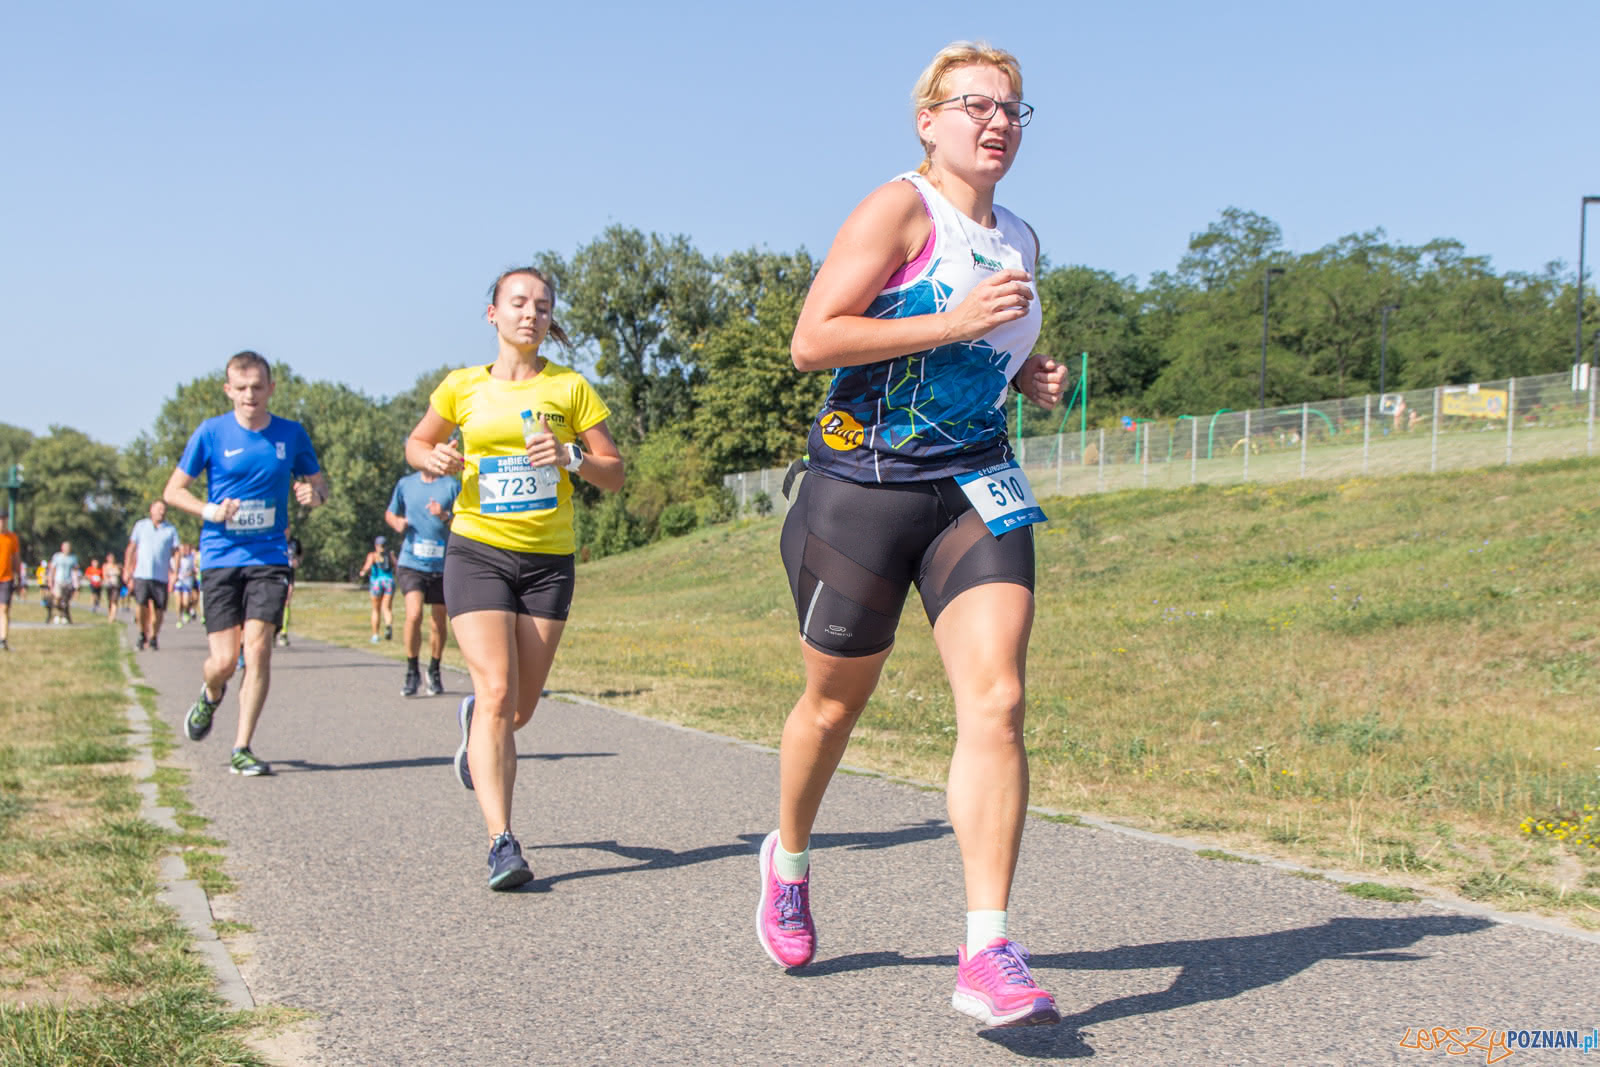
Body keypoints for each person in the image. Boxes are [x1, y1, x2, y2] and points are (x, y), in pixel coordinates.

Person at [759, 42, 1067, 1029]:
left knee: (1000, 695)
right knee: (831, 706)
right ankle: (790, 856)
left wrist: (1028, 375)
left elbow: (989, 340)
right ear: (927, 120)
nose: (998, 121)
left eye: (1014, 108)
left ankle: (986, 947)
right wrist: (952, 321)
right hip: (863, 488)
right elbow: (816, 339)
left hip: (976, 485)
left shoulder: (1018, 234)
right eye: (975, 103)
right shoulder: (897, 208)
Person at [404, 265, 624, 890]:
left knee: (517, 710)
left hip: (548, 563)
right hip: (477, 552)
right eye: (518, 302)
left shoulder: (571, 388)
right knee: (500, 693)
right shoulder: (461, 388)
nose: (531, 312)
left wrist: (573, 456)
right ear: (493, 314)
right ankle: (502, 843)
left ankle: (475, 722)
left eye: (543, 305)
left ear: (551, 320)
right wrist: (436, 455)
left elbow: (614, 471)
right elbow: (417, 445)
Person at [163, 350, 328, 777]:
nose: (250, 395)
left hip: (270, 555)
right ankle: (211, 694)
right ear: (228, 390)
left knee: (257, 650)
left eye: (258, 386)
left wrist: (314, 495)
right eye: (241, 388)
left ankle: (242, 746)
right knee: (223, 661)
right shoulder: (211, 433)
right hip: (220, 556)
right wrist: (209, 510)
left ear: (271, 388)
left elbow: (318, 482)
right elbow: (173, 492)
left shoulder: (291, 434)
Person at [385, 467, 460, 696]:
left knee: (438, 620)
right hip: (412, 563)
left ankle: (434, 670)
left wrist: (445, 515)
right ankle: (412, 670)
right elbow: (390, 513)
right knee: (414, 614)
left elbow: (466, 520)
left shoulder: (451, 485)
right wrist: (396, 522)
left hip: (443, 564)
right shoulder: (406, 484)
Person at [125, 500, 181, 650]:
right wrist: (127, 569)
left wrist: (175, 573)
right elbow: (131, 548)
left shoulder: (171, 530)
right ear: (151, 510)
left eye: (163, 510)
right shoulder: (141, 526)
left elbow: (176, 552)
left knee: (159, 609)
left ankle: (154, 636)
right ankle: (142, 632)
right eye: (158, 509)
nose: (161, 512)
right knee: (141, 604)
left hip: (161, 575)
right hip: (142, 574)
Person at [358, 536, 396, 644]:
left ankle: (375, 636)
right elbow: (397, 566)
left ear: (376, 545)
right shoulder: (390, 555)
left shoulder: (373, 555)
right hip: (389, 582)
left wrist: (363, 572)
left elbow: (367, 566)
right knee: (387, 608)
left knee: (376, 610)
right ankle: (388, 625)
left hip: (376, 583)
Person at [277, 531, 303, 647]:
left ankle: (284, 632)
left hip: (289, 573)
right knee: (275, 603)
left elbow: (300, 555)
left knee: (287, 602)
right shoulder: (276, 538)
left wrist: (297, 562)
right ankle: (274, 629)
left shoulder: (295, 542)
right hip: (275, 573)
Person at [0, 514, 21, 650]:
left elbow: (16, 558)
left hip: (7, 578)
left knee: (4, 609)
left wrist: (19, 576)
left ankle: (3, 640)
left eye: (3, 520)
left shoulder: (12, 538)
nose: (1, 523)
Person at [47, 542, 80, 625]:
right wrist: (51, 581)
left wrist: (77, 585)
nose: (66, 549)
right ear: (62, 548)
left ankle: (64, 616)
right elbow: (53, 569)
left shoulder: (73, 558)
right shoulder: (57, 557)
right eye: (65, 547)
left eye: (68, 548)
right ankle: (58, 615)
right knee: (57, 598)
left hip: (68, 582)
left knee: (65, 601)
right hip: (58, 581)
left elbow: (76, 571)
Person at [173, 543, 200, 626]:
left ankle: (186, 611)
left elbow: (195, 569)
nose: (184, 550)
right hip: (178, 582)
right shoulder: (176, 558)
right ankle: (179, 619)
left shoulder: (191, 558)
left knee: (185, 602)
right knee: (178, 602)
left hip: (187, 582)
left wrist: (190, 573)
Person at [103, 552, 123, 625]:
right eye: (110, 558)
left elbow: (119, 573)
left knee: (114, 601)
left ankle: (112, 617)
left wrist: (116, 570)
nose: (111, 559)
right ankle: (110, 614)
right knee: (110, 601)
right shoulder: (105, 566)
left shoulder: (117, 566)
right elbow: (104, 575)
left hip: (116, 585)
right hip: (109, 585)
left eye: (112, 558)